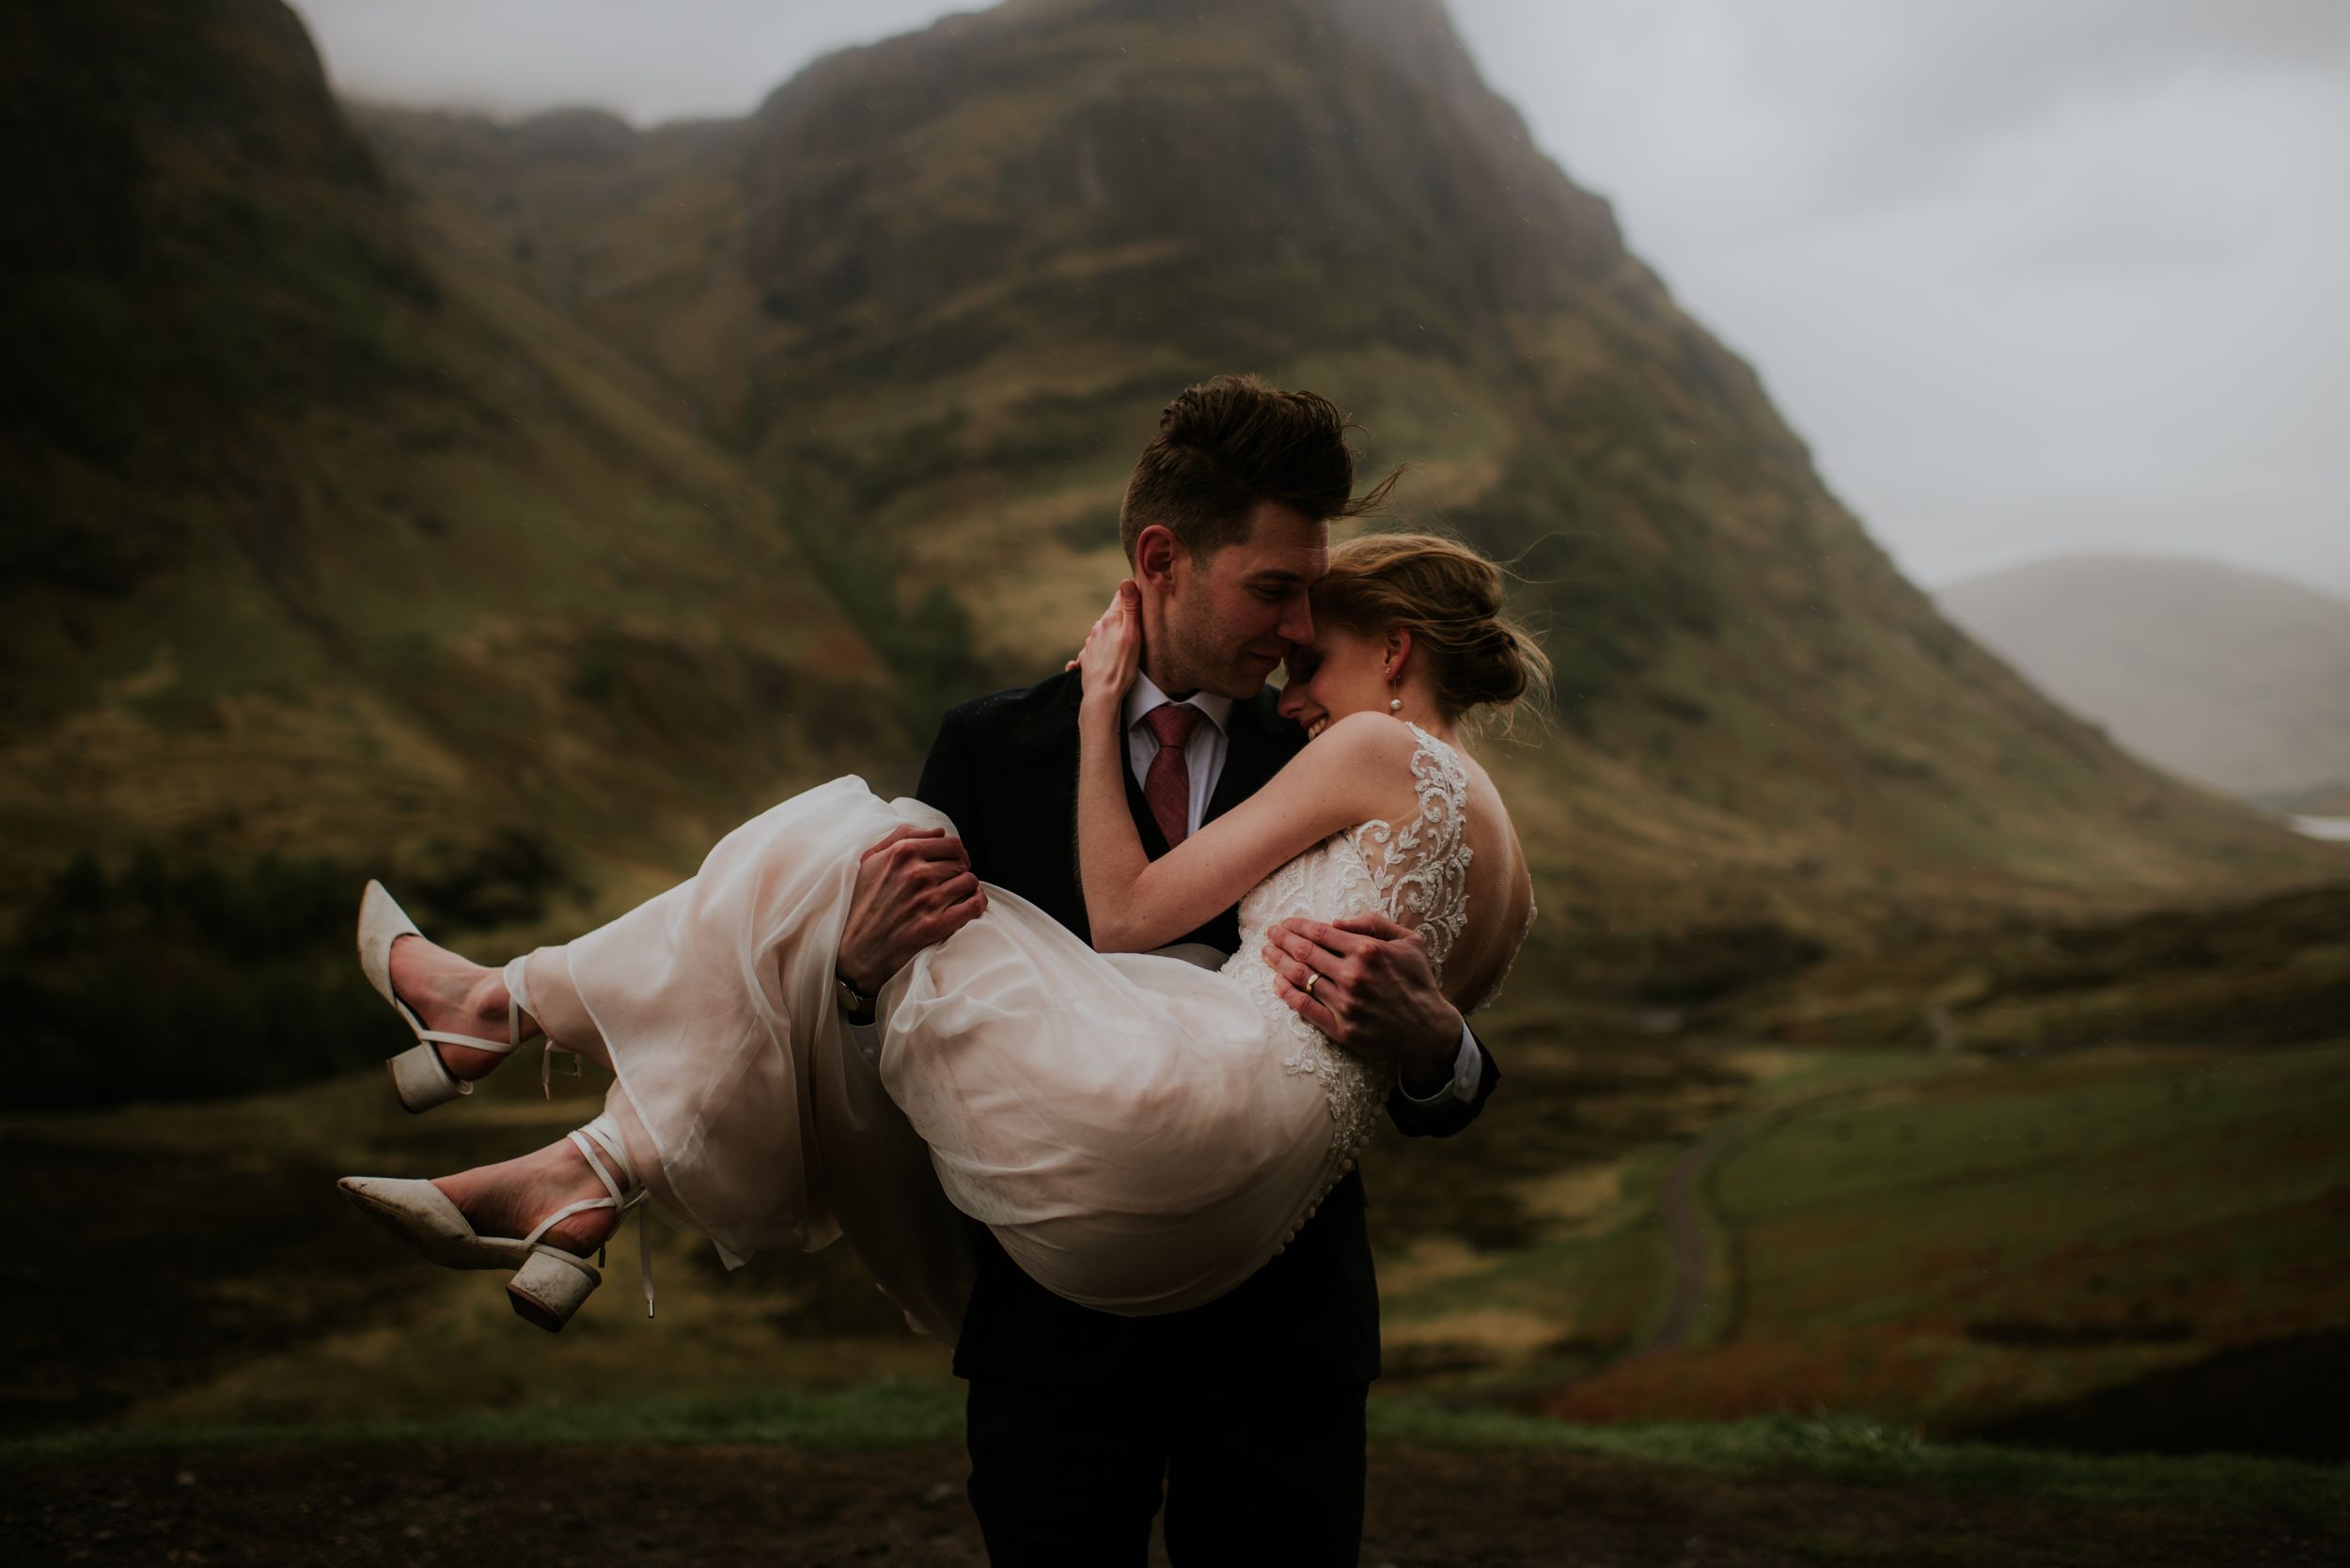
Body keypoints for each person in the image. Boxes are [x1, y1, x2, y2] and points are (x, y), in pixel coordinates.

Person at [340, 377, 1541, 1565]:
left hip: (1277, 1342)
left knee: (824, 840)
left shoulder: (1323, 736)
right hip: (1057, 1338)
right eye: (1272, 592)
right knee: (848, 876)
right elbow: (918, 1032)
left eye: (1307, 601)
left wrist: (1436, 1045)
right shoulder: (993, 743)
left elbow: (1434, 983)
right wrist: (858, 975)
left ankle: (528, 1060)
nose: (1291, 634)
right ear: (1163, 559)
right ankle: (556, 1115)